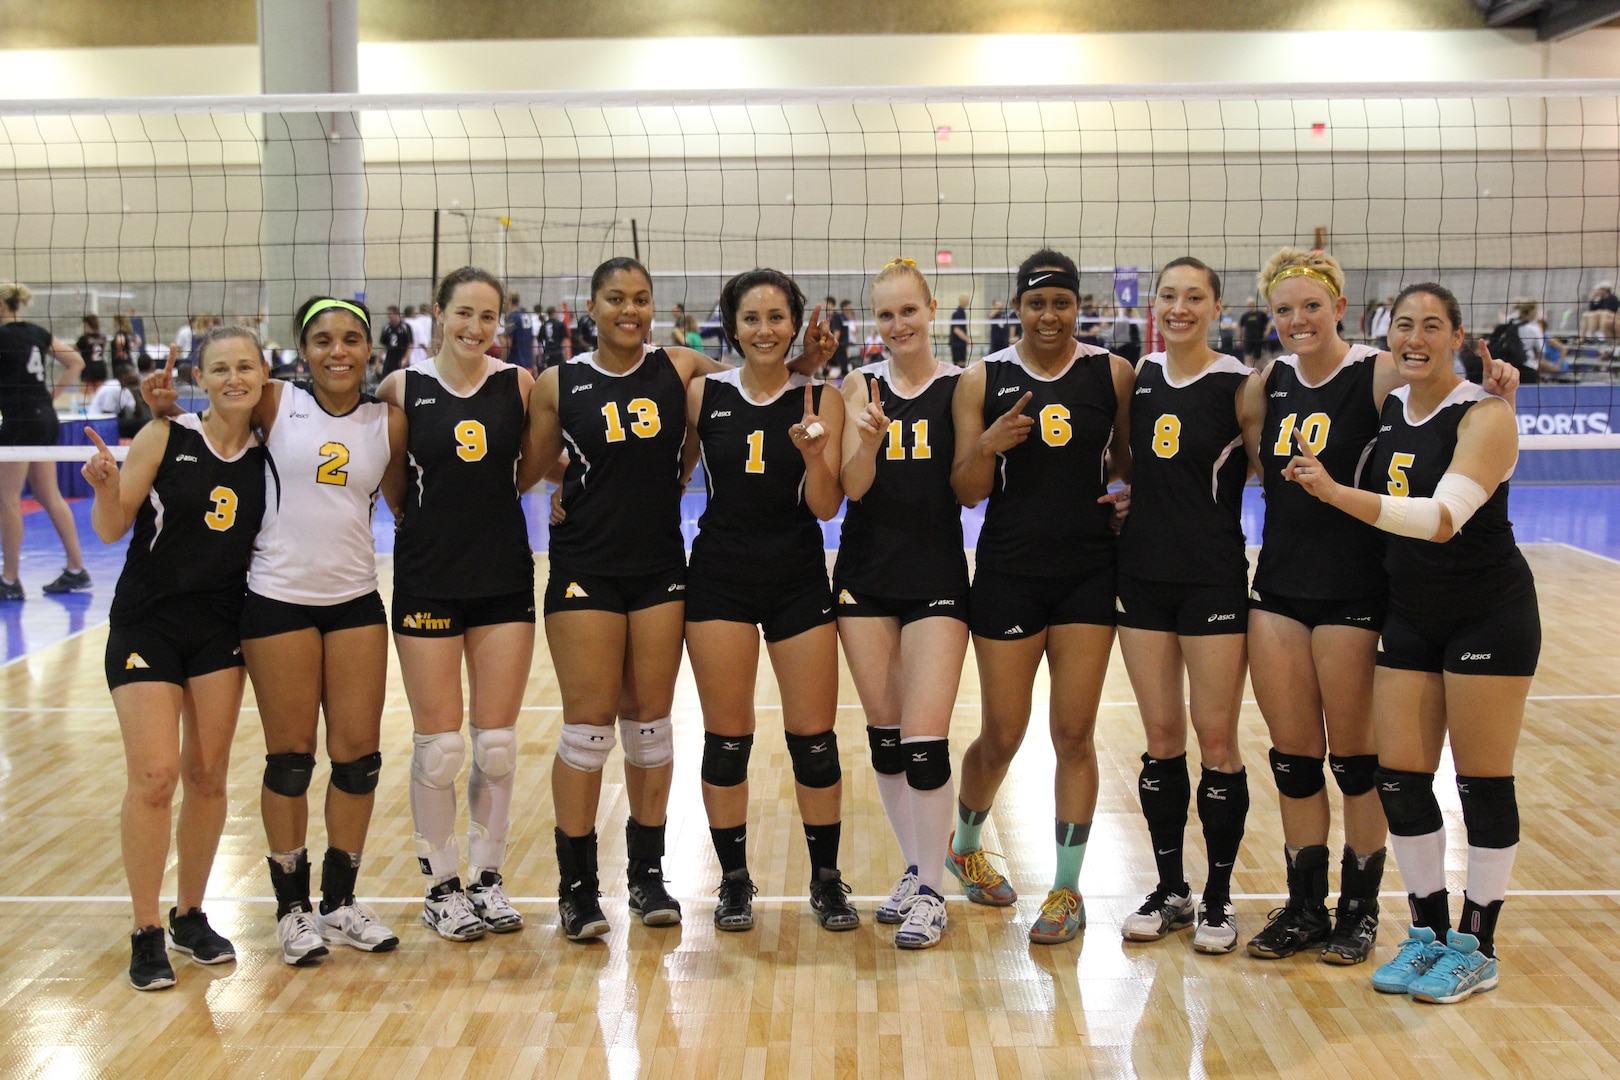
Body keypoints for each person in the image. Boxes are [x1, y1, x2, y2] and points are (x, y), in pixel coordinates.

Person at [522, 256, 836, 941]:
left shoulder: (682, 368)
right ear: (592, 306)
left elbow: (755, 390)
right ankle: (576, 887)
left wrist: (808, 357)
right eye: (615, 299)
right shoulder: (559, 381)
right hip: (586, 566)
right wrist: (562, 488)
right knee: (587, 726)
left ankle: (646, 876)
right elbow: (531, 465)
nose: (628, 310)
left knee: (649, 722)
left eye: (640, 298)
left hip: (662, 563)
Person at [1289, 282, 1537, 1005]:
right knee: (1398, 778)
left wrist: (1335, 493)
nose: (1416, 337)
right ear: (1388, 335)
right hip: (1413, 614)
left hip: (1488, 614)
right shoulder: (1392, 407)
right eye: (1404, 325)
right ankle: (1427, 934)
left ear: (1457, 336)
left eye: (1432, 325)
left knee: (1482, 784)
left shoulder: (1487, 415)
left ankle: (1477, 944)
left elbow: (1440, 519)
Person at [166, 298, 407, 965]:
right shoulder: (275, 403)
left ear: (369, 350)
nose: (339, 350)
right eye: (324, 340)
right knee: (292, 760)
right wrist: (161, 412)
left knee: (358, 760)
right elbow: (212, 426)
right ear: (303, 351)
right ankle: (292, 908)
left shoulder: (387, 421)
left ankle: (340, 902)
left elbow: (408, 501)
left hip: (355, 599)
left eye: (352, 339)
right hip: (278, 602)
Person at [948, 249, 1133, 946]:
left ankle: (1065, 889)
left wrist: (1127, 497)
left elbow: (1126, 463)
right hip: (1009, 569)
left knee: (1075, 734)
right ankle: (965, 842)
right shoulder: (982, 379)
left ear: (1076, 306)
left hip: (1088, 568)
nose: (1049, 316)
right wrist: (990, 445)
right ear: (1016, 309)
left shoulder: (1110, 373)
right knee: (1002, 734)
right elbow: (965, 488)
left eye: (1061, 303)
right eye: (1036, 304)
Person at [82, 325, 269, 990]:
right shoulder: (167, 436)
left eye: (245, 366)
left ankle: (190, 914)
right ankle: (145, 931)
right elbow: (110, 528)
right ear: (201, 377)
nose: (234, 378)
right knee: (156, 777)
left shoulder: (269, 451)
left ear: (263, 373)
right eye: (219, 368)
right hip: (147, 627)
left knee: (209, 776)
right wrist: (106, 484)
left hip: (220, 629)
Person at [683, 267, 857, 935]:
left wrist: (815, 456)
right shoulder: (704, 393)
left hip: (796, 576)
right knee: (727, 742)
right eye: (751, 318)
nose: (765, 329)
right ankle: (733, 881)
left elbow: (826, 505)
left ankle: (825, 879)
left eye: (777, 317)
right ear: (732, 327)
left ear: (795, 324)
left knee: (814, 741)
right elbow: (669, 477)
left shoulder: (822, 397)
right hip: (720, 577)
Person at [1240, 248, 1392, 965]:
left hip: (1355, 589)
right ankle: (1305, 907)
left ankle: (1360, 909)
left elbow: (1442, 417)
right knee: (1295, 762)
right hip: (1278, 589)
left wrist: (1504, 398)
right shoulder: (1267, 382)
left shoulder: (1377, 371)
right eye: (1284, 310)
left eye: (1310, 306)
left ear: (1338, 304)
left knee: (1356, 762)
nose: (1297, 320)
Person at [376, 267, 536, 943]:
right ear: (439, 313)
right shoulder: (401, 388)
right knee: (439, 746)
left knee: (495, 744)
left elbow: (527, 469)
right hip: (428, 578)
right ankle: (442, 886)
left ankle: (489, 879)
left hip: (502, 576)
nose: (475, 328)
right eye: (464, 313)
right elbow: (392, 489)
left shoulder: (519, 384)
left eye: (488, 316)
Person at [1116, 256, 1260, 955]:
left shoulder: (1241, 385)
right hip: (1141, 578)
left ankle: (1219, 898)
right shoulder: (1138, 375)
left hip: (1212, 580)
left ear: (1217, 306)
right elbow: (1127, 464)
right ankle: (1170, 887)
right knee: (1163, 739)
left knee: (1218, 740)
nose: (1179, 308)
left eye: (1193, 297)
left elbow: (1271, 471)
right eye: (1168, 296)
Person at [837, 259, 969, 949]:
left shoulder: (960, 387)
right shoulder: (857, 386)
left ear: (931, 309)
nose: (897, 326)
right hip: (864, 577)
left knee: (924, 742)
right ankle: (918, 870)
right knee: (886, 741)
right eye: (884, 315)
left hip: (938, 575)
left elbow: (974, 485)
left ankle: (934, 895)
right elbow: (851, 490)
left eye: (907, 312)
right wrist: (867, 439)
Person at [0, 282, 92, 599]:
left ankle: (9, 580)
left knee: (6, 499)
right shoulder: (36, 332)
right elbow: (76, 361)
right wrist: (53, 395)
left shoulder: (2, 337)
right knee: (49, 494)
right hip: (44, 418)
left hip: (20, 422)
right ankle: (77, 569)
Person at [501, 293, 535, 372]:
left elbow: (507, 343)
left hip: (515, 365)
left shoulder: (512, 317)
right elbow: (532, 342)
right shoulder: (527, 316)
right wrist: (533, 363)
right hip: (528, 364)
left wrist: (501, 362)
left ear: (508, 303)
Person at [377, 305, 413, 378]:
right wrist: (377, 360)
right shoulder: (386, 327)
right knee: (386, 378)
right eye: (388, 315)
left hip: (400, 358)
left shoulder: (405, 327)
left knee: (401, 379)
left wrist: (405, 359)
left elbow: (410, 344)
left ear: (396, 314)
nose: (389, 317)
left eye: (391, 315)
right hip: (389, 359)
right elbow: (382, 345)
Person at [1239, 298, 1270, 367]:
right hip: (1248, 339)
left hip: (1258, 339)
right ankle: (1247, 372)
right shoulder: (1245, 315)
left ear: (1254, 304)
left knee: (1258, 358)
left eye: (1251, 304)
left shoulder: (1261, 314)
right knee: (1247, 356)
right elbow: (1240, 327)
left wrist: (1267, 332)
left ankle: (1257, 373)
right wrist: (1239, 338)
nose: (1250, 306)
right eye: (1249, 305)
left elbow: (1268, 323)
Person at [949, 294, 971, 366]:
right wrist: (968, 339)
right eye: (967, 300)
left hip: (959, 344)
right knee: (960, 365)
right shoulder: (958, 313)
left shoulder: (961, 312)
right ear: (963, 301)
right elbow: (956, 330)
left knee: (960, 365)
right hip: (958, 344)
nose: (968, 302)